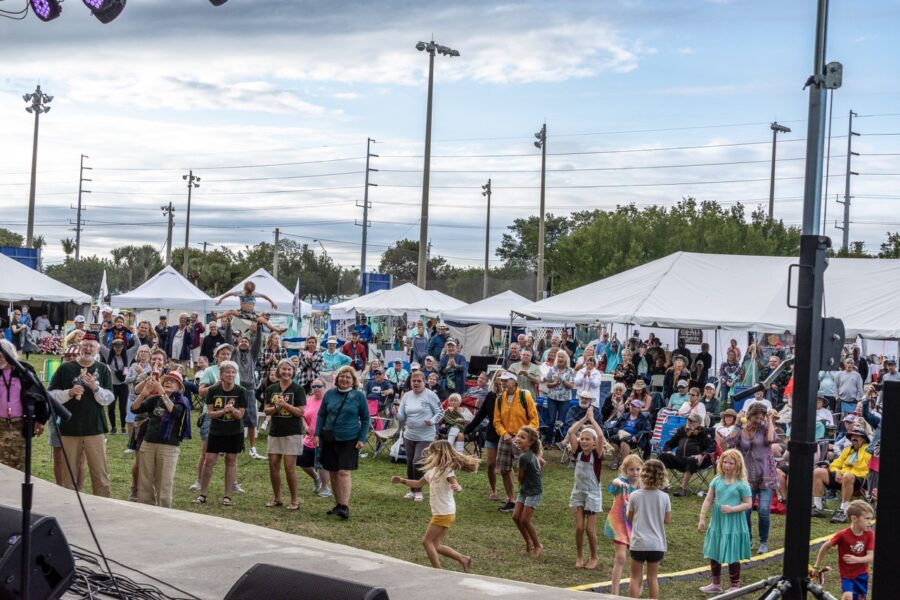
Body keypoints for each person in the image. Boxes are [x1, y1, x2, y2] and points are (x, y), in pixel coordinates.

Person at [390, 440, 480, 571]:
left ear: (441, 454)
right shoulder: (432, 471)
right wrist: (402, 480)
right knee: (436, 545)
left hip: (444, 512)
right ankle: (463, 559)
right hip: (442, 512)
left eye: (433, 454)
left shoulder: (447, 471)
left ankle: (437, 571)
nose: (431, 457)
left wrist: (458, 487)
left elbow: (455, 483)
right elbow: (417, 484)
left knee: (426, 542)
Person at [47, 332, 115, 496]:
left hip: (95, 428)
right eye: (85, 345)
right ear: (80, 346)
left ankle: (102, 506)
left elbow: (109, 399)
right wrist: (69, 393)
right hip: (70, 428)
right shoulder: (66, 368)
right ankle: (68, 506)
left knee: (100, 475)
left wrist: (95, 388)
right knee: (68, 475)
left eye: (91, 345)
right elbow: (50, 395)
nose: (87, 348)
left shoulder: (102, 369)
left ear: (97, 349)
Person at [314, 365, 369, 520]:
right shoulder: (329, 394)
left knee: (344, 471)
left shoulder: (359, 396)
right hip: (330, 437)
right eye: (342, 376)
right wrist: (317, 433)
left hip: (350, 438)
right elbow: (321, 415)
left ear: (353, 380)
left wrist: (362, 438)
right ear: (336, 379)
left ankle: (345, 506)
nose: (345, 379)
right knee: (332, 471)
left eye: (348, 377)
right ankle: (338, 504)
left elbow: (365, 419)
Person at [131, 370, 191, 508]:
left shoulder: (182, 400)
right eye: (166, 381)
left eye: (173, 381)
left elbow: (175, 411)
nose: (169, 382)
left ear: (179, 387)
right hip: (149, 442)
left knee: (164, 482)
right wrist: (143, 394)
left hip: (169, 446)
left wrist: (162, 393)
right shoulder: (154, 399)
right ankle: (146, 508)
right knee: (145, 480)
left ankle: (165, 511)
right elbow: (135, 409)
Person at [697, 449, 753, 593]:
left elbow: (748, 504)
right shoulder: (717, 480)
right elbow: (709, 498)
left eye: (731, 463)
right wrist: (702, 517)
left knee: (732, 552)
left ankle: (735, 586)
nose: (727, 465)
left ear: (738, 465)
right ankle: (716, 584)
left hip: (733, 522)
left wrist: (732, 509)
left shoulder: (741, 484)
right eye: (725, 462)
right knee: (714, 550)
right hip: (718, 521)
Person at [195, 361, 248, 507]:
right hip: (216, 431)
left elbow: (241, 415)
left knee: (231, 461)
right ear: (221, 375)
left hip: (234, 431)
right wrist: (223, 411)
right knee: (209, 460)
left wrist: (233, 410)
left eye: (233, 372)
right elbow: (210, 413)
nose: (230, 375)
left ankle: (227, 496)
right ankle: (202, 494)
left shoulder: (241, 391)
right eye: (227, 372)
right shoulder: (213, 390)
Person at [493, 371, 540, 513]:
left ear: (514, 381)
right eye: (502, 380)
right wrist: (504, 433)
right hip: (506, 437)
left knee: (528, 470)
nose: (503, 383)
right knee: (504, 469)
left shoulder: (525, 396)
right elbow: (496, 421)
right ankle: (512, 500)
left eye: (506, 380)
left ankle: (527, 499)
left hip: (523, 439)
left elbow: (534, 420)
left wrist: (523, 435)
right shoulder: (500, 399)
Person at [626, 459, 672, 600]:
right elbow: (667, 520)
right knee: (652, 579)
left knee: (635, 578)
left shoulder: (634, 495)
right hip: (656, 544)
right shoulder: (665, 497)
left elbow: (629, 517)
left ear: (642, 475)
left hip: (639, 543)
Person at [264, 359, 306, 511]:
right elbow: (266, 410)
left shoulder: (298, 389)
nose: (286, 372)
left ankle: (294, 500)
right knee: (273, 465)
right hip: (275, 431)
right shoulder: (272, 388)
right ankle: (277, 498)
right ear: (278, 371)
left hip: (292, 432)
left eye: (289, 370)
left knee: (289, 467)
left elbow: (301, 412)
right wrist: (276, 407)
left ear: (293, 372)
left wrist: (286, 405)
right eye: (284, 369)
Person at [0, 339, 48, 471]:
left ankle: (16, 491)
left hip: (19, 424)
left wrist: (40, 420)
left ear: (10, 354)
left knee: (19, 464)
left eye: (1, 355)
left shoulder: (24, 370)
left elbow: (39, 395)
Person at [736, 403, 779, 554]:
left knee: (763, 510)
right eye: (756, 417)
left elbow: (771, 439)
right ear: (750, 415)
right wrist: (737, 423)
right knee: (746, 510)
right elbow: (727, 443)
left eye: (761, 417)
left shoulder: (765, 427)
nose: (758, 420)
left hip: (766, 474)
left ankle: (763, 541)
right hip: (748, 475)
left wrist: (770, 420)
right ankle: (748, 539)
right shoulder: (742, 430)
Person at [813, 500, 875, 600]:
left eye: (871, 519)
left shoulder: (869, 534)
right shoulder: (842, 535)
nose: (870, 522)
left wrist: (856, 559)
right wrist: (816, 565)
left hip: (862, 575)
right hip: (847, 575)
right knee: (847, 596)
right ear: (854, 518)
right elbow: (825, 546)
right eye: (867, 519)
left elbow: (870, 556)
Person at [567, 407, 605, 569]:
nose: (583, 441)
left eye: (588, 439)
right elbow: (570, 432)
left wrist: (593, 419)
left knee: (590, 529)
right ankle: (580, 556)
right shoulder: (577, 452)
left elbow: (601, 435)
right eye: (582, 438)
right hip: (578, 492)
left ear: (595, 443)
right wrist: (584, 419)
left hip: (593, 494)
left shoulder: (597, 455)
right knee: (579, 527)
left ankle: (594, 556)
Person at [396, 370, 443, 502]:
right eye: (413, 381)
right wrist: (395, 414)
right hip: (409, 435)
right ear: (410, 382)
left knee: (417, 461)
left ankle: (419, 491)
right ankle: (412, 490)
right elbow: (402, 416)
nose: (416, 383)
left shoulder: (431, 395)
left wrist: (432, 421)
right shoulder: (406, 396)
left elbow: (440, 412)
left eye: (419, 381)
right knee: (410, 463)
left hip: (426, 436)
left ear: (424, 381)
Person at [812, 426, 871, 524]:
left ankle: (844, 511)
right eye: (852, 436)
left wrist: (845, 474)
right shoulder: (847, 450)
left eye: (858, 436)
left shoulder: (868, 450)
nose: (854, 438)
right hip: (842, 477)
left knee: (848, 476)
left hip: (860, 479)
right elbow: (835, 464)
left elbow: (863, 468)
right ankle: (818, 507)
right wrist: (837, 472)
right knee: (818, 472)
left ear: (864, 439)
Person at [605, 455, 643, 596]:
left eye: (638, 469)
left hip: (636, 526)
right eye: (631, 469)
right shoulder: (621, 483)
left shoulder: (643, 486)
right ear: (625, 470)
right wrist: (619, 483)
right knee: (620, 558)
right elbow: (614, 482)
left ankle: (639, 586)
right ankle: (615, 591)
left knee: (638, 559)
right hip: (619, 524)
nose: (635, 472)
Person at [463, 371, 503, 501]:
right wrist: (466, 430)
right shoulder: (491, 396)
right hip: (492, 432)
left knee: (505, 467)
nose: (500, 380)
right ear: (494, 380)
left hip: (507, 434)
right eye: (498, 377)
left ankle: (510, 495)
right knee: (491, 464)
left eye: (503, 378)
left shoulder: (511, 396)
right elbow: (480, 416)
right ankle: (494, 491)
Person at [660, 412, 716, 497]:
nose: (689, 423)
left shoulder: (704, 432)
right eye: (688, 420)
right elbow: (669, 443)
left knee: (692, 459)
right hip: (680, 459)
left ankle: (683, 488)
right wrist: (668, 450)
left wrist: (702, 454)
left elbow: (712, 447)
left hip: (695, 462)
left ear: (699, 423)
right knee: (664, 456)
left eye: (692, 421)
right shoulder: (682, 430)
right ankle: (662, 484)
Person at [511, 425, 544, 558]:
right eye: (518, 436)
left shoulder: (524, 458)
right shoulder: (530, 454)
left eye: (522, 437)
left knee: (524, 520)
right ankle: (528, 541)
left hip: (533, 491)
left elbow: (520, 476)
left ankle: (537, 545)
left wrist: (532, 480)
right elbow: (543, 462)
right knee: (515, 517)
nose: (518, 439)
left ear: (530, 442)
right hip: (525, 489)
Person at [298, 378, 332, 498]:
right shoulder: (308, 400)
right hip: (309, 438)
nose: (316, 388)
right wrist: (305, 426)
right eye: (314, 386)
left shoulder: (329, 401)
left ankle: (325, 487)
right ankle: (316, 478)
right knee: (301, 461)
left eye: (319, 386)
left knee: (322, 464)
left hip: (324, 438)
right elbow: (302, 415)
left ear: (324, 387)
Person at [215, 281, 286, 333]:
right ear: (245, 289)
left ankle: (278, 330)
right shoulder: (241, 292)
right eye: (248, 292)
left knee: (264, 321)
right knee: (230, 311)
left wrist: (272, 302)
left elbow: (264, 296)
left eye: (250, 292)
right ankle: (217, 317)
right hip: (242, 312)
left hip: (252, 313)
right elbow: (229, 294)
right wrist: (220, 299)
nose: (249, 294)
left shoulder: (254, 294)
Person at [608, 400, 652, 468]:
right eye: (631, 405)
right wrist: (618, 431)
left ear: (639, 408)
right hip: (621, 434)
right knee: (612, 439)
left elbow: (646, 430)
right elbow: (615, 426)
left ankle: (624, 463)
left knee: (624, 441)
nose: (632, 407)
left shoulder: (643, 418)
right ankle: (615, 460)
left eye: (634, 406)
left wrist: (637, 436)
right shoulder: (625, 416)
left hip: (633, 437)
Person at [544, 350, 576, 444]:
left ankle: (559, 441)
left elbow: (571, 386)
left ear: (566, 359)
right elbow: (548, 385)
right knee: (551, 419)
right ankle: (548, 441)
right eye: (559, 357)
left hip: (565, 399)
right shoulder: (552, 369)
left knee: (561, 421)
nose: (560, 359)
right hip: (552, 398)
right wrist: (555, 383)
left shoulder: (570, 371)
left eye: (562, 357)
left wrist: (562, 380)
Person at [101, 338, 130, 435]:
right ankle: (113, 428)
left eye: (120, 346)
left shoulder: (127, 355)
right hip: (112, 385)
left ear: (123, 347)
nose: (118, 349)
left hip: (123, 385)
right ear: (112, 347)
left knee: (123, 407)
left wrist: (132, 333)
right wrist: (104, 330)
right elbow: (100, 343)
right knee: (111, 407)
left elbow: (137, 345)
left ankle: (123, 427)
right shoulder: (108, 354)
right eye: (115, 346)